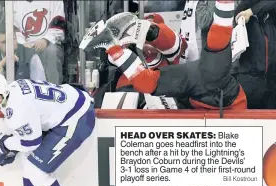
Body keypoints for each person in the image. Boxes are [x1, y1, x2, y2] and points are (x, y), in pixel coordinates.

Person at [80, 1, 247, 114]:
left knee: (216, 52)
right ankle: (111, 44)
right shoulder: (131, 52)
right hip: (131, 102)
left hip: (174, 101)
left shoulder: (171, 58)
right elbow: (114, 65)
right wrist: (119, 47)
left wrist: (151, 33)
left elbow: (176, 45)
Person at [0, 73, 95, 186]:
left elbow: (31, 143)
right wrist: (12, 147)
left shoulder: (17, 109)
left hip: (78, 117)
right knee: (28, 163)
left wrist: (3, 143)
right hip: (71, 102)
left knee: (36, 172)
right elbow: (30, 125)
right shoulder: (14, 87)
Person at [13, 1, 66, 84]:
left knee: (52, 51)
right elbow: (13, 27)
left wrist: (45, 40)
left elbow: (58, 25)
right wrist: (22, 43)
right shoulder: (14, 3)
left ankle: (54, 91)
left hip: (48, 43)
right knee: (17, 52)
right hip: (23, 44)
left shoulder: (55, 2)